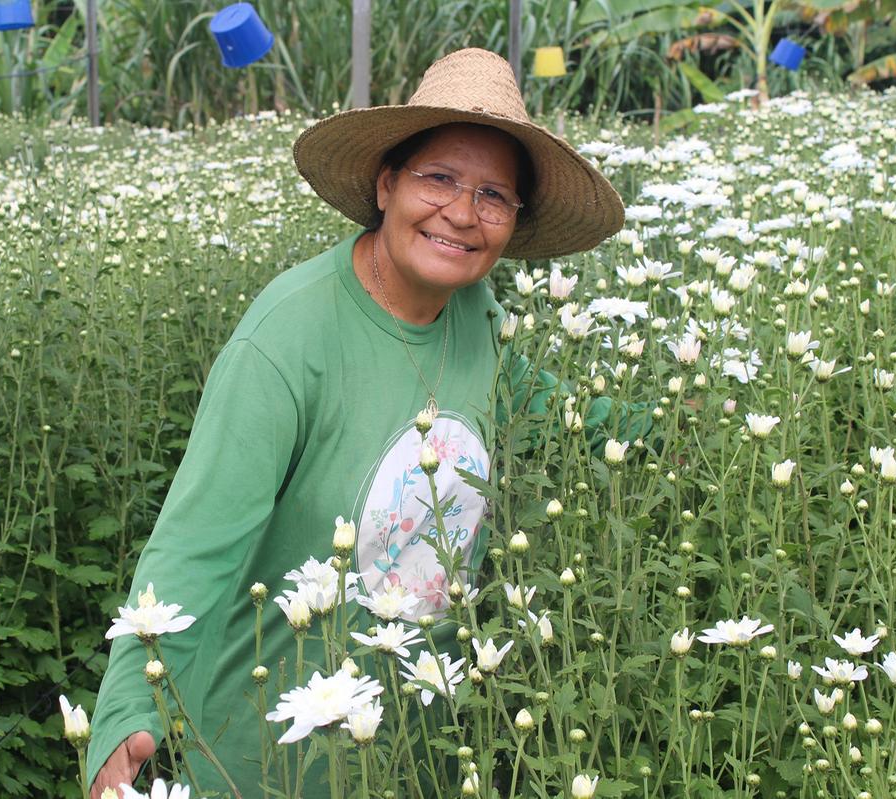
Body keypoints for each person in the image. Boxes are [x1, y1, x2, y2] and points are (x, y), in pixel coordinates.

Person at [87, 47, 650, 798]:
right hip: (274, 756)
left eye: (493, 195)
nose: (462, 212)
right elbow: (196, 540)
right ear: (386, 185)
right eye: (439, 178)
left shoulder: (480, 315)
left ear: (514, 224)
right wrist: (128, 706)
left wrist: (678, 411)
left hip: (421, 750)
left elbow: (545, 408)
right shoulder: (288, 339)